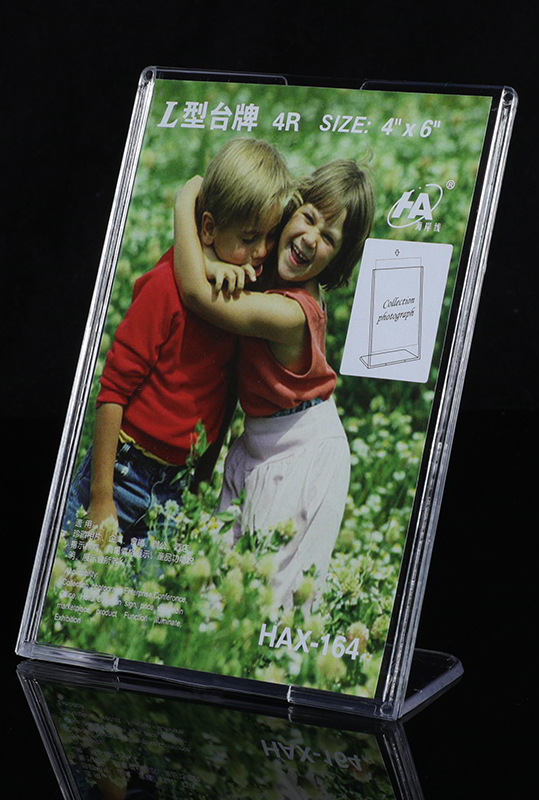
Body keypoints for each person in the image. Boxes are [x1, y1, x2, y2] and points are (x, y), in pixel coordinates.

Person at [63, 138, 293, 546]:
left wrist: (199, 488)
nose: (261, 251)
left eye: (270, 235)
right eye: (249, 237)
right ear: (207, 228)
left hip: (175, 489)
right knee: (77, 573)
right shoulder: (165, 286)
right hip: (123, 473)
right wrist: (100, 498)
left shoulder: (245, 299)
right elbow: (112, 391)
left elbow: (224, 400)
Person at [173, 160, 375, 608]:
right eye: (309, 218)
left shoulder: (292, 314)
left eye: (329, 239)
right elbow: (213, 202)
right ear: (292, 208)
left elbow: (196, 293)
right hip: (258, 442)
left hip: (304, 455)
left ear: (338, 258)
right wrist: (211, 256)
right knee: (214, 589)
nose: (310, 238)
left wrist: (185, 199)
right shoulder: (267, 268)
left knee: (266, 603)